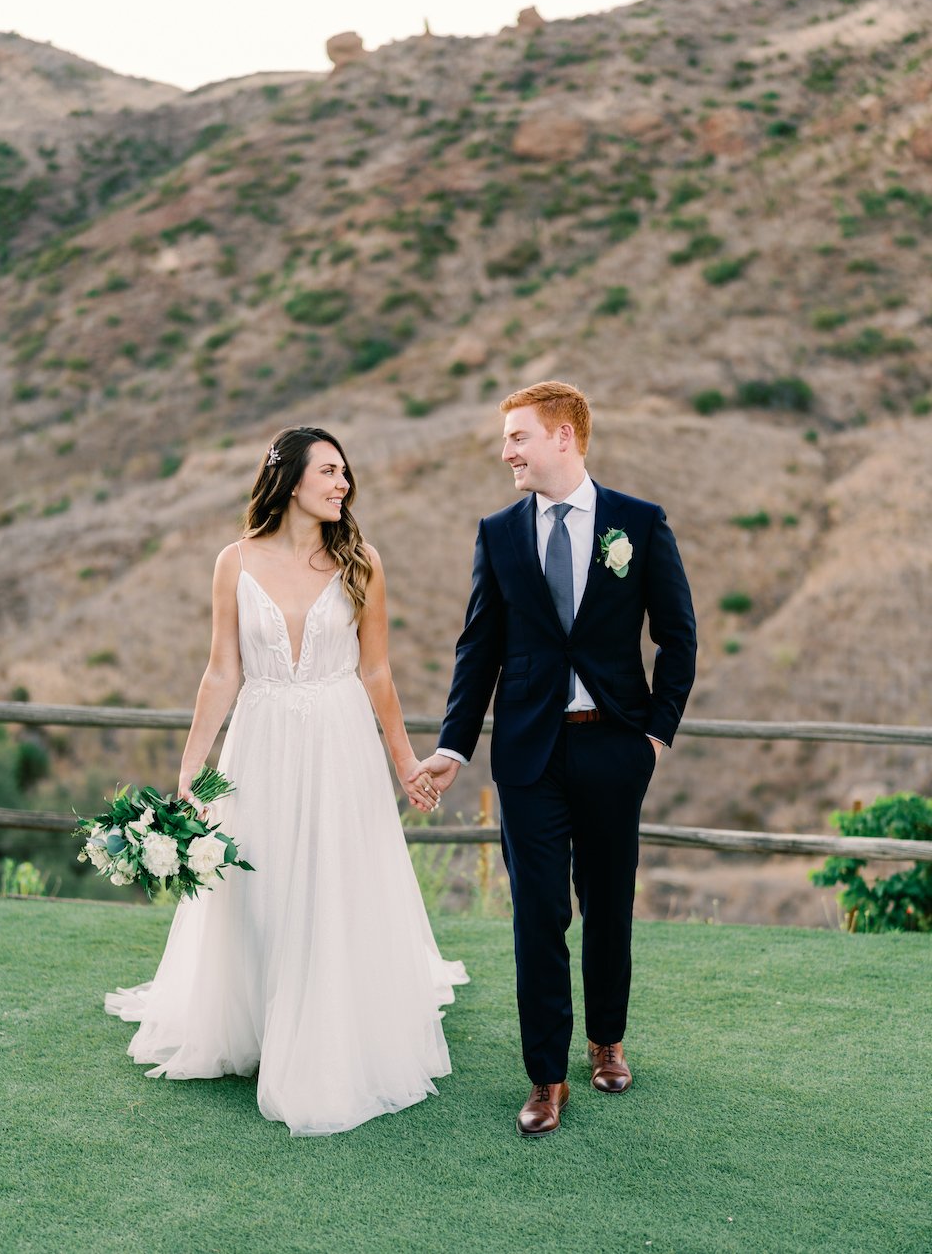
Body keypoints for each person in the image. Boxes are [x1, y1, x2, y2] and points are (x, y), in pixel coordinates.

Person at [106, 425, 468, 1136]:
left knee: (335, 880)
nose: (343, 484)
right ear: (291, 479)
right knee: (261, 884)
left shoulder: (361, 561)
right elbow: (222, 670)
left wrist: (405, 764)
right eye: (329, 471)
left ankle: (331, 1026)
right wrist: (191, 764)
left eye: (345, 473)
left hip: (339, 743)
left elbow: (377, 672)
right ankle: (263, 1019)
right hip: (262, 738)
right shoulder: (233, 562)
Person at [409, 382, 696, 1136]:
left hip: (614, 744)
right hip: (528, 755)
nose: (506, 451)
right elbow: (479, 648)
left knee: (607, 905)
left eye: (518, 436)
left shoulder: (639, 523)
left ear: (564, 435)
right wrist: (452, 744)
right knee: (538, 914)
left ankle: (606, 1042)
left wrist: (655, 736)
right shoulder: (498, 533)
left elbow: (678, 637)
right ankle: (545, 1077)